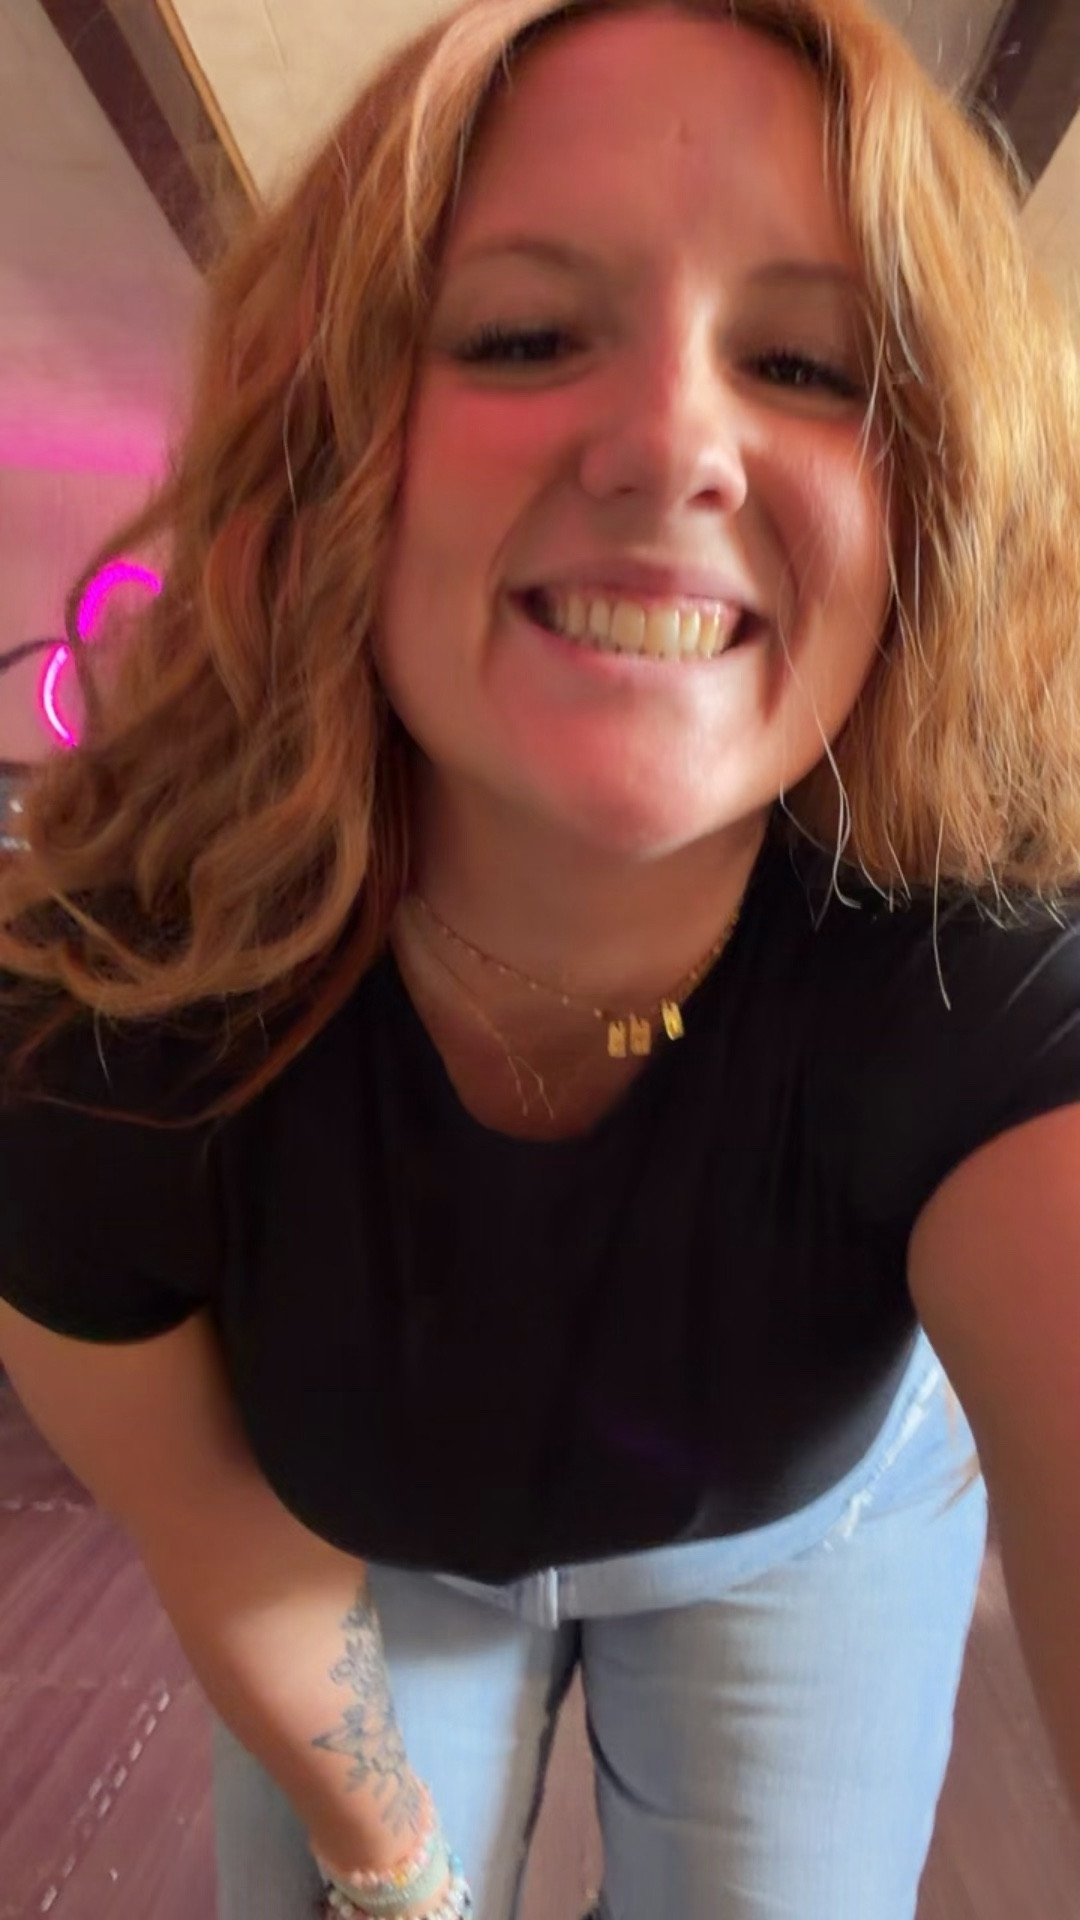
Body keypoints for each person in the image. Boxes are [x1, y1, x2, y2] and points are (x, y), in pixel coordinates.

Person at [1, 0, 1079, 1915]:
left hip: (807, 1532)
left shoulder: (979, 976)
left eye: (807, 363)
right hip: (356, 1541)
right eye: (518, 336)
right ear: (328, 455)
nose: (672, 446)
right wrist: (393, 1866)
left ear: (926, 505)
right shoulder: (104, 1017)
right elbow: (223, 1537)